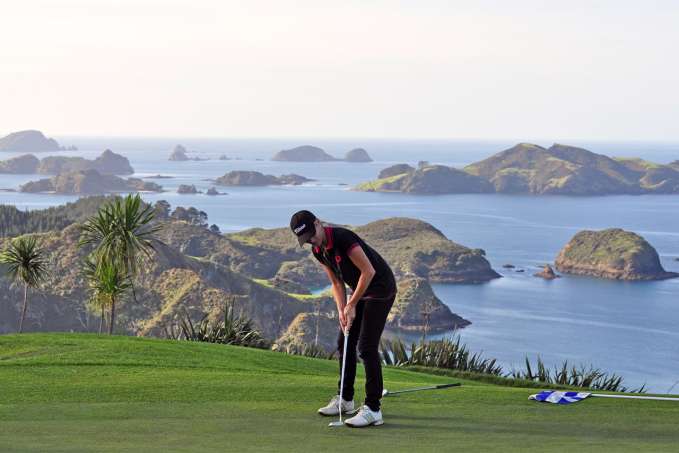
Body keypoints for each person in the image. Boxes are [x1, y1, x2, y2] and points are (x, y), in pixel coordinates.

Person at [289, 210, 397, 427]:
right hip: (360, 291)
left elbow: (368, 272)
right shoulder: (318, 250)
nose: (311, 240)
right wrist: (342, 310)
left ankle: (373, 409)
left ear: (318, 223)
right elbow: (337, 283)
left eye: (312, 234)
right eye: (306, 239)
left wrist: (352, 304)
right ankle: (345, 399)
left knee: (366, 347)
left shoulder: (343, 238)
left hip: (380, 289)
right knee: (344, 341)